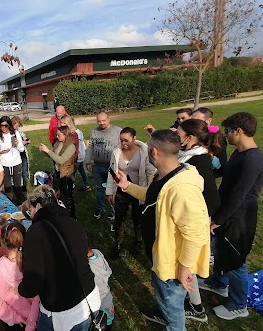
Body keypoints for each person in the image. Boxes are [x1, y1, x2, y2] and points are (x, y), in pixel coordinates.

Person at [115, 130, 210, 331]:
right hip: (159, 256)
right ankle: (164, 314)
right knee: (164, 297)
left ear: (154, 152)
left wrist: (184, 267)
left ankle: (174, 326)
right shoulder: (162, 176)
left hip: (173, 266)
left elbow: (196, 233)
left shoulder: (182, 189)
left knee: (173, 305)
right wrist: (127, 186)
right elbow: (151, 197)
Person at [198, 112, 263, 320]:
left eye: (227, 131)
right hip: (226, 211)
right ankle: (218, 283)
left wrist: (218, 221)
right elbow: (228, 179)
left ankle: (238, 304)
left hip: (239, 218)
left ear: (239, 131)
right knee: (220, 249)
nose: (225, 135)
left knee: (236, 261)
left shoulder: (253, 160)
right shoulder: (239, 153)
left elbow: (238, 196)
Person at [18, 185, 101, 330]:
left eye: (30, 210)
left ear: (37, 205)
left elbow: (33, 282)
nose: (30, 215)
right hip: (89, 298)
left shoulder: (36, 232)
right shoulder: (74, 223)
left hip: (63, 312)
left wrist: (21, 289)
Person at [175, 119, 222, 322]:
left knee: (188, 264)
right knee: (187, 263)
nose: (176, 138)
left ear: (190, 137)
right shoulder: (192, 156)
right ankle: (193, 302)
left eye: (179, 135)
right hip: (192, 218)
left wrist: (199, 218)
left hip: (194, 221)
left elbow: (212, 198)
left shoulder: (197, 162)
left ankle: (196, 306)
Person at [106, 127, 156, 259]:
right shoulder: (116, 152)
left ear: (134, 138)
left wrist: (150, 191)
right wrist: (110, 191)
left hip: (138, 190)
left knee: (138, 217)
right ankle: (118, 243)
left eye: (127, 140)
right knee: (119, 217)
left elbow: (151, 172)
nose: (123, 144)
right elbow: (112, 172)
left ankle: (138, 241)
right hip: (121, 190)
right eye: (121, 140)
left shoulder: (144, 151)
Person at [0, 222, 39, 331]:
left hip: (14, 322)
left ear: (3, 241)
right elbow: (37, 298)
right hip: (35, 318)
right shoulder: (32, 264)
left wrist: (15, 317)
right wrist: (30, 324)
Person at [85, 112, 122, 219]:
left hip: (112, 167)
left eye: (104, 120)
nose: (101, 123)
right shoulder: (94, 131)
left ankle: (114, 210)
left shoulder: (117, 131)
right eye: (99, 121)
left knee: (113, 190)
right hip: (97, 166)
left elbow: (123, 148)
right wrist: (88, 161)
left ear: (109, 119)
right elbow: (90, 147)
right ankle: (100, 208)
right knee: (99, 189)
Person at [39, 126, 77, 218]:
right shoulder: (58, 143)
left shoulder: (71, 146)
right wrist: (45, 151)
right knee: (57, 195)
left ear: (65, 135)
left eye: (59, 135)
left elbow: (61, 160)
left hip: (67, 174)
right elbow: (54, 156)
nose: (57, 136)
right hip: (58, 172)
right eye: (57, 134)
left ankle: (72, 217)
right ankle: (61, 214)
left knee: (68, 197)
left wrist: (48, 151)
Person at [0, 116, 26, 205]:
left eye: (6, 126)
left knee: (17, 185)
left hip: (16, 162)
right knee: (7, 186)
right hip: (4, 163)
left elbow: (21, 149)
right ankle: (11, 204)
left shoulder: (15, 133)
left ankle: (20, 204)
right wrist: (1, 151)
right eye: (2, 126)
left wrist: (17, 144)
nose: (4, 128)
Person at [191, 107, 227, 177]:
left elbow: (222, 166)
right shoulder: (190, 134)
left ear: (209, 121)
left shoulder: (217, 138)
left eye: (197, 120)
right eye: (192, 120)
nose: (193, 123)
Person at [61, 115, 91, 192]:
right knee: (81, 170)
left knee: (72, 171)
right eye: (61, 123)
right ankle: (87, 185)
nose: (62, 125)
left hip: (78, 156)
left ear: (69, 123)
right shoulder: (72, 132)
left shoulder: (77, 133)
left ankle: (71, 186)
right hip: (78, 156)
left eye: (64, 123)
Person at [87, 247, 114, 331]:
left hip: (95, 302)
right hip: (106, 298)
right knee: (107, 321)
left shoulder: (84, 267)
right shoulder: (97, 253)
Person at [12, 116, 31, 194]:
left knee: (24, 171)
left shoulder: (20, 132)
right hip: (16, 157)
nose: (17, 127)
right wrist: (22, 143)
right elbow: (13, 145)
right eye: (16, 126)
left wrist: (26, 141)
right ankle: (17, 187)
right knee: (17, 173)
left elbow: (23, 140)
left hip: (23, 155)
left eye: (18, 126)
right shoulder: (10, 134)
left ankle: (24, 187)